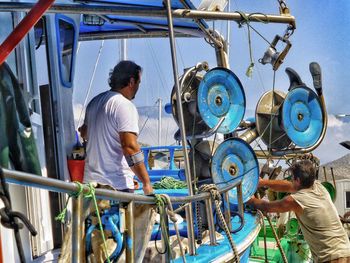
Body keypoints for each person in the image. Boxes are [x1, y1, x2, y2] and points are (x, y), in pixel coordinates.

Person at [248, 160, 350, 263]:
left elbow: (268, 207)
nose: (291, 181)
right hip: (346, 250)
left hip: (333, 258)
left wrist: (250, 199)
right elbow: (286, 185)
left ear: (297, 180)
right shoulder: (319, 187)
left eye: (292, 178)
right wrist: (263, 183)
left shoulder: (296, 201)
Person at [79, 60, 153, 195]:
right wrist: (146, 182)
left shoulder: (94, 102)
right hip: (116, 187)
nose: (138, 87)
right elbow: (129, 147)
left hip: (90, 185)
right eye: (138, 83)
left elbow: (84, 133)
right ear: (131, 82)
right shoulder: (125, 105)